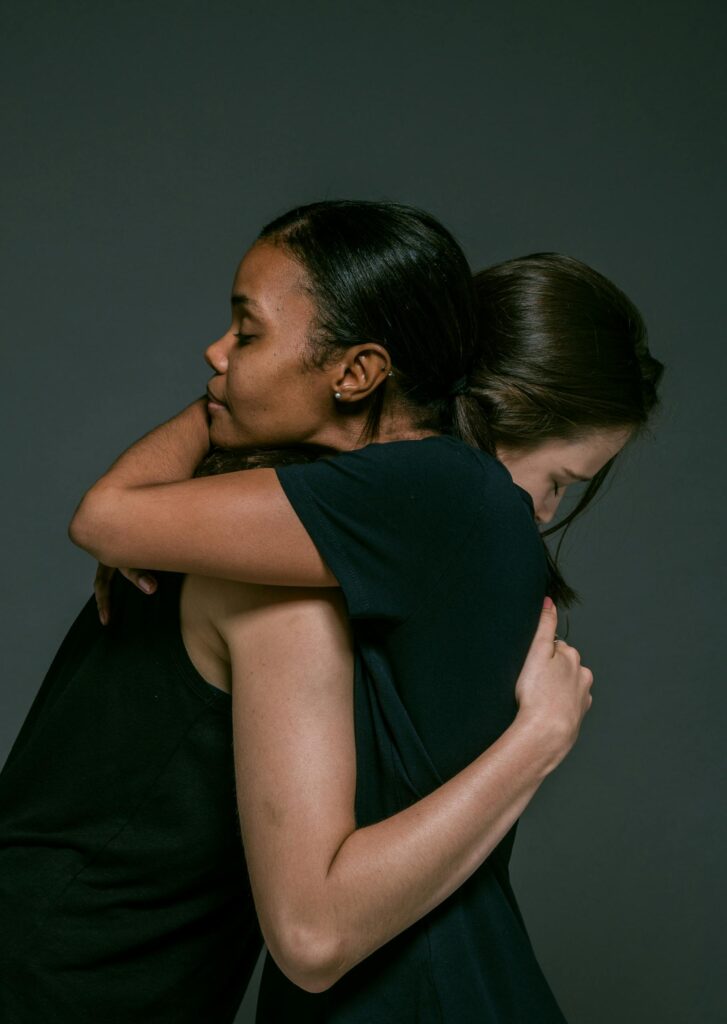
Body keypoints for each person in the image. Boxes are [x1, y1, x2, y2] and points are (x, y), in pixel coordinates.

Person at [12, 201, 662, 1022]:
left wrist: (230, 417)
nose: (533, 517)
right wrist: (538, 739)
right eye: (556, 482)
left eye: (246, 336)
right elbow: (314, 931)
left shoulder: (268, 518)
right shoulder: (438, 505)